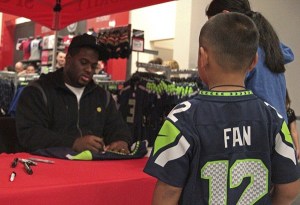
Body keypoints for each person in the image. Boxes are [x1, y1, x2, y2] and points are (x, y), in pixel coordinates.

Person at [144, 13, 300, 205]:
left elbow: (168, 192)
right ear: (254, 61)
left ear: (203, 57)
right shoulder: (273, 118)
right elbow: (290, 189)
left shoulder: (182, 118)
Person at [16, 33, 131, 154]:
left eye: (93, 65)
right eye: (83, 62)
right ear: (68, 59)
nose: (89, 70)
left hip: (94, 168)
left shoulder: (103, 97)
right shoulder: (38, 91)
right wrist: (73, 143)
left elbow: (118, 127)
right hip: (48, 167)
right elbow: (29, 134)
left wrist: (121, 141)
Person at [205, 0, 294, 124]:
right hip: (279, 132)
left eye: (211, 26)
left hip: (258, 132)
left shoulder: (242, 53)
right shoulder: (269, 48)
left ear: (225, 16)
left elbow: (225, 101)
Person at [286, 89, 300, 160]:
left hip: (286, 144)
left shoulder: (290, 112)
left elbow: (293, 131)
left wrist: (297, 148)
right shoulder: (271, 111)